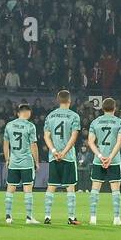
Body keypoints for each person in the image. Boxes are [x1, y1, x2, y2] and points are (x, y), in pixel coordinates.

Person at [42, 89, 82, 225]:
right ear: (69, 101)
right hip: (68, 157)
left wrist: (54, 150)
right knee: (70, 187)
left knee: (51, 186)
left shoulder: (50, 116)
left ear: (58, 101)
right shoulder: (74, 116)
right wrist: (64, 152)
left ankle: (47, 216)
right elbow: (74, 136)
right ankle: (71, 217)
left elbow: (46, 136)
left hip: (54, 156)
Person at [87, 97, 121, 225]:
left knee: (95, 189)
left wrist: (100, 155)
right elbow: (120, 142)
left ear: (102, 108)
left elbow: (90, 142)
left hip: (99, 160)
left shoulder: (95, 122)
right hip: (113, 160)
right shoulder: (120, 122)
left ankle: (93, 218)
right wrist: (110, 157)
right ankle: (116, 219)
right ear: (115, 108)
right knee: (115, 190)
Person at [3, 103, 40, 224]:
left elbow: (5, 143)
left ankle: (8, 216)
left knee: (10, 189)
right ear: (28, 112)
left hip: (13, 162)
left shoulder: (9, 125)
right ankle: (29, 217)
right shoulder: (30, 126)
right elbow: (33, 145)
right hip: (26, 162)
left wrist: (7, 159)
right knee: (28, 189)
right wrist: (37, 161)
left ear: (18, 113)